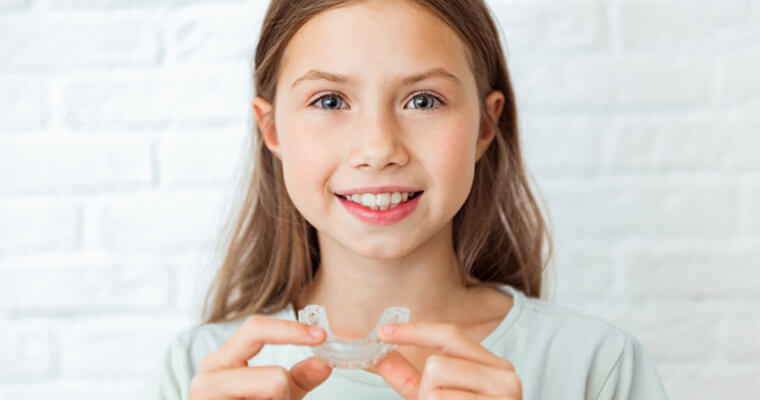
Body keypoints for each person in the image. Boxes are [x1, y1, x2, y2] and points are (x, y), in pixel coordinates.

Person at [141, 0, 670, 398]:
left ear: (486, 125)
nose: (378, 148)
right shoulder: (200, 371)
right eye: (329, 100)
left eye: (423, 100)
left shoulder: (600, 367)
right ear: (271, 128)